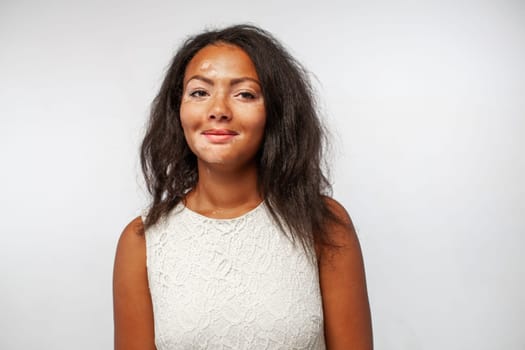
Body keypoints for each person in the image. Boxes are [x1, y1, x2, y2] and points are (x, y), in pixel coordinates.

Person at [113, 24, 373, 350]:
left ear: (275, 112)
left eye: (245, 94)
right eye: (199, 92)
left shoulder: (323, 224)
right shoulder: (141, 243)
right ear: (177, 109)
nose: (219, 110)